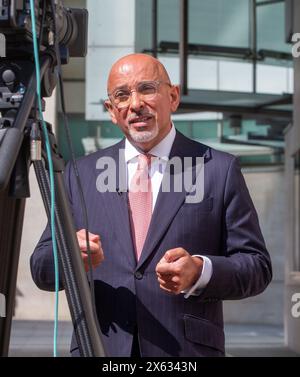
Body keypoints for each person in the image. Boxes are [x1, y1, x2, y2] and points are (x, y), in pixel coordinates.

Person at [30, 53, 272, 357]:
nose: (135, 104)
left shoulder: (219, 169)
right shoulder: (80, 174)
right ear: (111, 111)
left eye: (146, 89)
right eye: (122, 95)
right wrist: (69, 257)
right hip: (102, 349)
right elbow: (40, 268)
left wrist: (200, 270)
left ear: (173, 97)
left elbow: (257, 267)